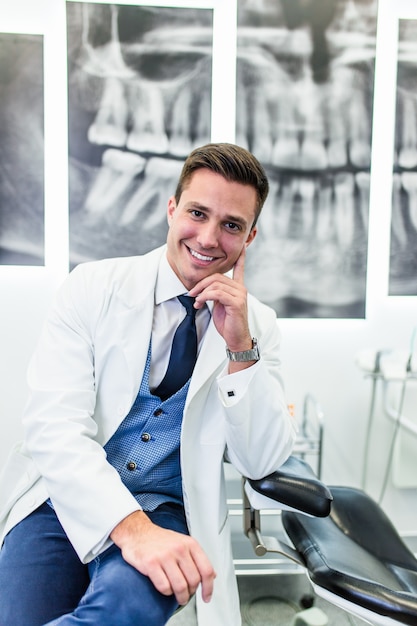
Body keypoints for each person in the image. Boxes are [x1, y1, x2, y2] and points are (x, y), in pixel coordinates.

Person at [0, 143, 296, 626]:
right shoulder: (91, 287)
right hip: (60, 499)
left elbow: (260, 460)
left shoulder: (258, 324)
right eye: (197, 213)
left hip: (167, 511)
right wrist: (130, 529)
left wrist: (242, 347)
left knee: (125, 608)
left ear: (250, 237)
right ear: (172, 209)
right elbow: (53, 428)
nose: (208, 237)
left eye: (231, 225)